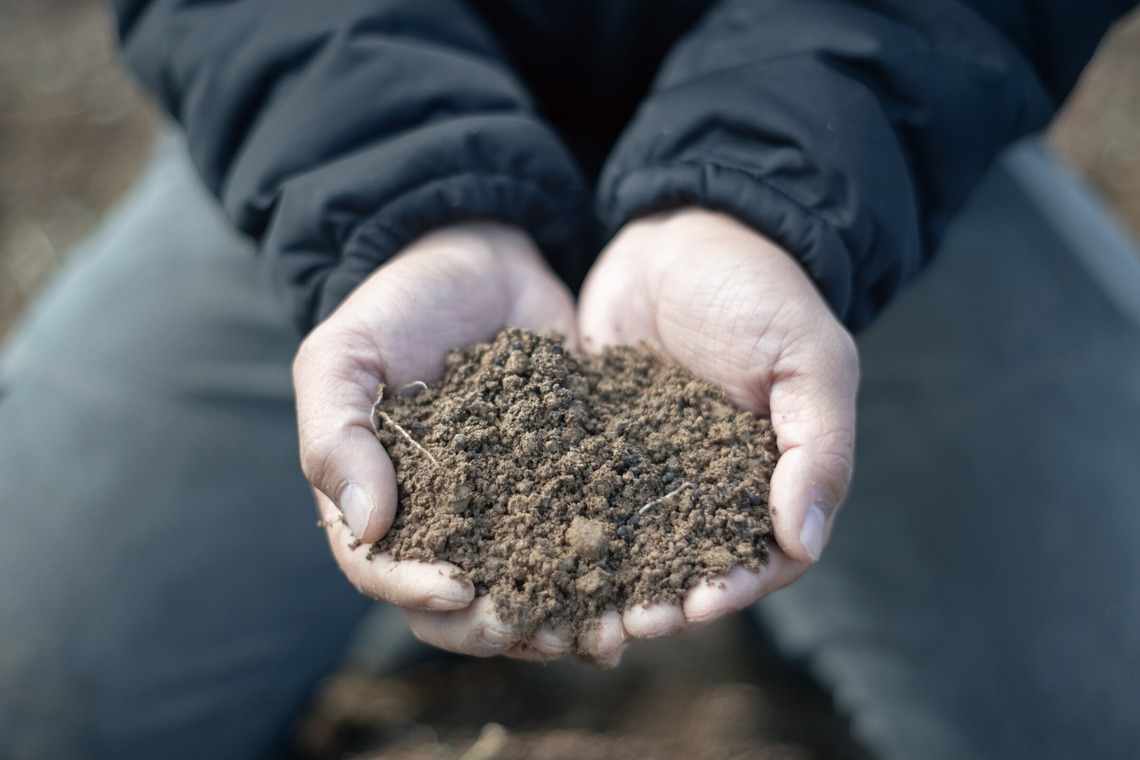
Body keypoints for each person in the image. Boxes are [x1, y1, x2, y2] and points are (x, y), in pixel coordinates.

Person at [1, 0, 1137, 757]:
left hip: (868, 157)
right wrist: (395, 196)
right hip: (344, 156)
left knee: (1103, 702)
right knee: (38, 691)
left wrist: (762, 190)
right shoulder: (362, 173)